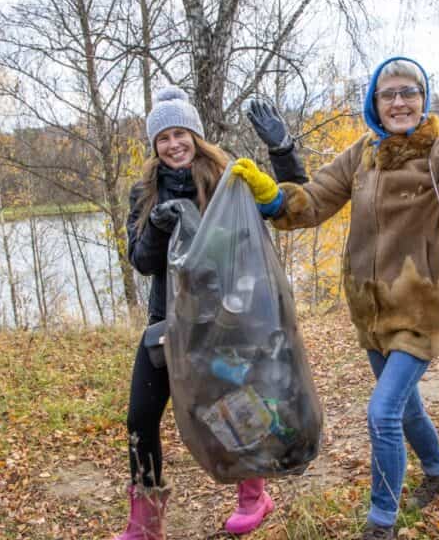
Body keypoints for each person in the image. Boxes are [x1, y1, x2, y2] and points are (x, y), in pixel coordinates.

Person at [232, 33, 439, 539]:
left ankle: (381, 522)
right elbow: (311, 203)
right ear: (374, 104)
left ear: (422, 100)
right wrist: (276, 175)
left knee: (382, 412)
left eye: (409, 92)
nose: (399, 101)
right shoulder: (362, 156)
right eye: (389, 94)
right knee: (406, 409)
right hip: (373, 312)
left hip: (424, 308)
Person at [114, 86, 303, 539]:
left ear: (196, 136)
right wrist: (158, 227)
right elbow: (141, 262)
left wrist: (282, 150)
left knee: (238, 405)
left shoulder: (227, 180)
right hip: (169, 324)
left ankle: (254, 495)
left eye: (181, 133)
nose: (173, 144)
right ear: (154, 146)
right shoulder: (143, 193)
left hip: (228, 322)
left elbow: (289, 203)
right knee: (140, 416)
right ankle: (146, 521)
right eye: (163, 137)